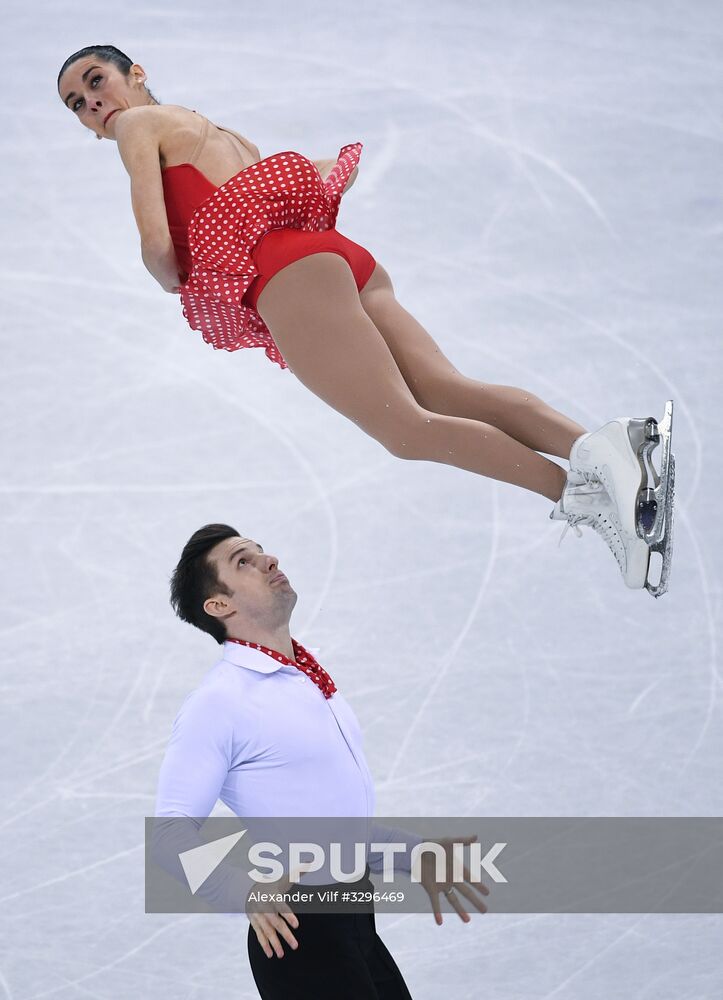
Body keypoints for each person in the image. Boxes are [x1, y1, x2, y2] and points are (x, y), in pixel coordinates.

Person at [56, 45, 674, 594]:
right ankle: (609, 454)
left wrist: (177, 285)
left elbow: (156, 245)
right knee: (449, 392)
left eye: (96, 80)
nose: (92, 103)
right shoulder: (219, 131)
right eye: (77, 104)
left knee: (405, 430)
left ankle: (589, 497)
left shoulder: (139, 125)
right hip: (338, 262)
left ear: (135, 74)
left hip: (288, 276)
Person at [154, 523, 489, 999]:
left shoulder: (305, 681)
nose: (269, 560)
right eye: (243, 562)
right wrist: (243, 893)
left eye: (261, 551)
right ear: (219, 605)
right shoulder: (219, 703)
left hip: (354, 921)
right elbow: (169, 832)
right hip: (300, 935)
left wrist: (413, 853)